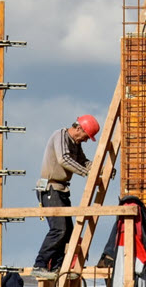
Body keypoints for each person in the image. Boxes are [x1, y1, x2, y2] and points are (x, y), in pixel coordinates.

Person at [31, 114, 101, 280]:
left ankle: (58, 267)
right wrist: (87, 173)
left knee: (68, 231)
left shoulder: (75, 143)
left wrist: (100, 169)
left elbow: (83, 161)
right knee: (59, 229)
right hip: (50, 188)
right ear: (78, 129)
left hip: (61, 190)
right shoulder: (60, 136)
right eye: (85, 136)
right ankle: (40, 265)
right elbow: (64, 160)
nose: (85, 141)